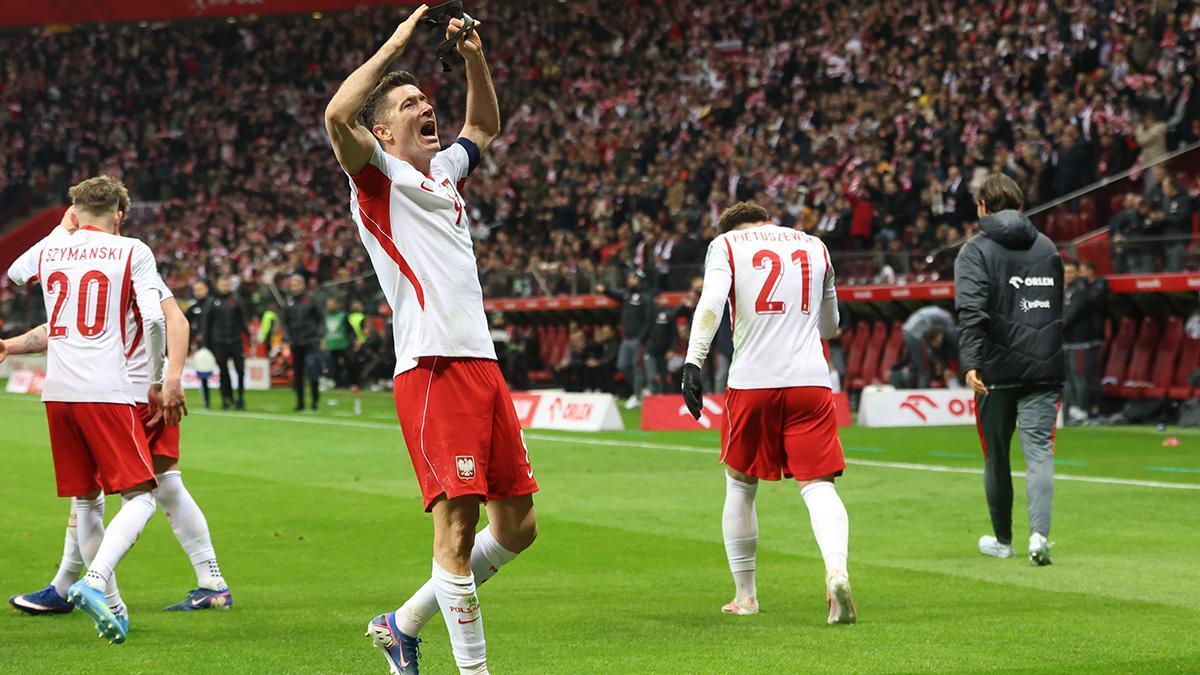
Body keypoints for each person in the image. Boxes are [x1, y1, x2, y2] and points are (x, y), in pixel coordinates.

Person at [324, 7, 538, 674]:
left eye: (425, 97)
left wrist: (473, 56)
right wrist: (395, 48)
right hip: (433, 365)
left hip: (481, 364)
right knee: (457, 530)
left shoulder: (444, 169)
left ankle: (403, 622)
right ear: (383, 129)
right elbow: (337, 116)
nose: (426, 106)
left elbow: (485, 126)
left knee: (519, 527)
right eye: (410, 101)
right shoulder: (375, 177)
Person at [4, 246, 232, 615]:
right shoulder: (106, 267)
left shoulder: (130, 263)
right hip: (127, 392)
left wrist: (170, 378)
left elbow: (174, 320)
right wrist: (11, 346)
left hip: (134, 396)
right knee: (162, 485)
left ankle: (75, 586)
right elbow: (62, 328)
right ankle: (211, 582)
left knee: (97, 492)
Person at [5, 176, 174, 644]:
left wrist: (63, 232)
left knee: (85, 501)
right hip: (106, 389)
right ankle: (95, 581)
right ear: (119, 217)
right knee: (141, 497)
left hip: (57, 392)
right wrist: (156, 378)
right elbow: (156, 318)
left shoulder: (52, 248)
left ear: (73, 211)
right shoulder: (132, 249)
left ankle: (114, 608)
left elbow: (16, 271)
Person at [681, 202, 855, 625]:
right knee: (818, 485)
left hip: (752, 381)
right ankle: (836, 572)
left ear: (731, 228)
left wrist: (692, 363)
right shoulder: (815, 245)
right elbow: (830, 327)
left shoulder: (726, 244)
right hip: (811, 381)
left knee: (740, 485)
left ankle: (746, 596)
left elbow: (711, 305)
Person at [954, 174, 1064, 566]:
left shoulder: (974, 251)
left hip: (996, 370)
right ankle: (1039, 537)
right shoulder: (1049, 247)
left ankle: (1004, 541)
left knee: (996, 455)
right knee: (1039, 454)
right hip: (1046, 368)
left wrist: (970, 363)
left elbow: (972, 313)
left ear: (983, 205)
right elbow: (1055, 309)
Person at [597, 273, 654, 408]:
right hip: (626, 338)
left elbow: (649, 320)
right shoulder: (627, 295)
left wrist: (642, 338)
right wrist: (605, 290)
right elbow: (615, 294)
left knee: (637, 368)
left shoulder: (645, 297)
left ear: (639, 280)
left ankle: (636, 395)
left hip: (637, 339)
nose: (630, 280)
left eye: (633, 278)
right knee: (622, 366)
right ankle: (640, 389)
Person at [203, 275, 248, 410]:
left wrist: (248, 336)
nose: (225, 286)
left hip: (235, 341)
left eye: (227, 284)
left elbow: (242, 321)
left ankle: (240, 398)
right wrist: (206, 343)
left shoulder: (236, 300)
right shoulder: (212, 301)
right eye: (222, 284)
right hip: (219, 342)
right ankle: (226, 399)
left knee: (240, 370)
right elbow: (206, 324)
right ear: (217, 285)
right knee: (223, 372)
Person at [280, 274, 324, 412]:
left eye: (297, 284)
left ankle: (315, 400)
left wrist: (318, 335)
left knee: (312, 370)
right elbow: (284, 322)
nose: (295, 287)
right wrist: (287, 337)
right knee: (298, 372)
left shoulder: (311, 300)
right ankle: (300, 402)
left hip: (311, 340)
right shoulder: (288, 302)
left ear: (303, 284)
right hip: (295, 341)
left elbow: (320, 319)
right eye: (292, 284)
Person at [896, 306, 959, 388]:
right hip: (915, 334)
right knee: (926, 370)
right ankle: (923, 391)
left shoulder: (935, 314)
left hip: (907, 331)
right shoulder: (946, 319)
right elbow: (947, 336)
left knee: (922, 367)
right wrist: (944, 365)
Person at [185, 281, 215, 408]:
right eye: (196, 289)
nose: (198, 292)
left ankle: (228, 399)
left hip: (216, 342)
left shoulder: (213, 304)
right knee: (203, 371)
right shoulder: (193, 308)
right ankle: (206, 401)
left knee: (224, 370)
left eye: (201, 289)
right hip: (201, 345)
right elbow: (187, 325)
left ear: (207, 289)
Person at [323, 296, 357, 389]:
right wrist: (324, 342)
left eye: (332, 304)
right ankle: (338, 384)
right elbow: (323, 331)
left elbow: (350, 330)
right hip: (332, 345)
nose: (331, 306)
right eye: (329, 305)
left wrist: (352, 341)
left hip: (343, 344)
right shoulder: (325, 317)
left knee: (348, 364)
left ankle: (352, 383)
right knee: (334, 366)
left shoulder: (343, 315)